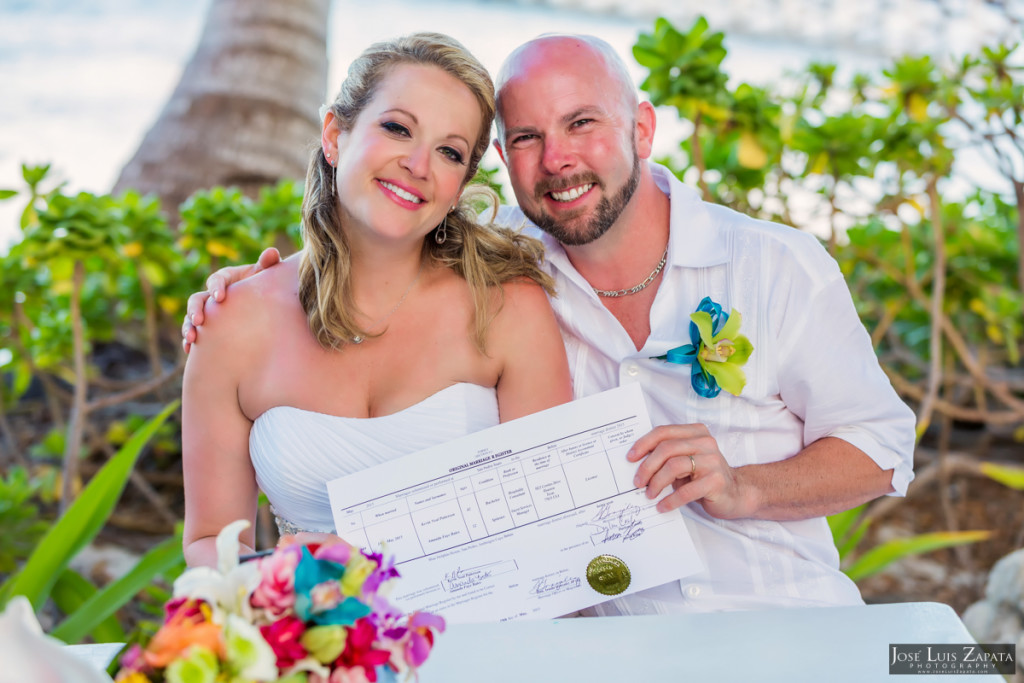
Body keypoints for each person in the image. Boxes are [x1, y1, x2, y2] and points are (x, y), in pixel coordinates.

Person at [183, 34, 916, 612]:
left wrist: (746, 486)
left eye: (583, 122)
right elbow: (381, 213)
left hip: (782, 615)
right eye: (528, 137)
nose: (558, 159)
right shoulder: (510, 265)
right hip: (598, 641)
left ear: (643, 127)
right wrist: (246, 290)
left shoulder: (774, 266)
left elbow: (882, 446)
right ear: (500, 162)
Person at [180, 32, 572, 568]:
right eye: (396, 128)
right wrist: (293, 585)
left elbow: (555, 527)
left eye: (449, 152)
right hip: (316, 643)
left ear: (460, 186)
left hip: (491, 640)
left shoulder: (507, 309)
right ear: (335, 135)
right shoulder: (232, 323)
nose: (417, 164)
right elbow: (211, 544)